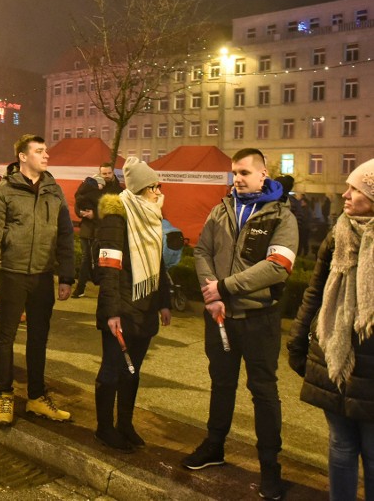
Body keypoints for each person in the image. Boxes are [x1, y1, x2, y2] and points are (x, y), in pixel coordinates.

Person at [182, 148, 298, 501]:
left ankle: (269, 468)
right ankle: (215, 446)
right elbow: (201, 252)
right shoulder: (221, 210)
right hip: (220, 316)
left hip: (259, 319)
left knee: (263, 392)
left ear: (264, 174)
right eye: (234, 172)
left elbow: (278, 266)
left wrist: (226, 287)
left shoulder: (282, 216)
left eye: (245, 172)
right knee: (221, 383)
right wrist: (211, 293)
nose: (238, 179)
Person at [287, 158, 374, 501]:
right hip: (334, 354)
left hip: (370, 363)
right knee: (340, 445)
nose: (345, 194)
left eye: (356, 189)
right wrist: (297, 340)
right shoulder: (337, 235)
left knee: (371, 448)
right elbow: (315, 292)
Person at [0, 134, 75, 425]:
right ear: (22, 156)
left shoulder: (54, 190)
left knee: (38, 338)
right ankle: (5, 396)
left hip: (43, 276)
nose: (46, 156)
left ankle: (36, 397)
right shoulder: (3, 191)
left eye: (46, 151)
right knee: (6, 337)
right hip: (12, 274)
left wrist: (67, 276)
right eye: (40, 151)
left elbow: (66, 235)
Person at [93, 157, 172, 451]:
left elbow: (158, 262)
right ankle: (104, 428)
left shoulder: (152, 215)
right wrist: (112, 312)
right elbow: (109, 268)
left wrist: (163, 301)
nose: (158, 192)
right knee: (112, 370)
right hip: (122, 308)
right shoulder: (117, 216)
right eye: (154, 186)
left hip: (145, 306)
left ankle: (125, 424)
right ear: (141, 188)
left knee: (132, 371)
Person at [73, 163, 124, 298]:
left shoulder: (118, 191)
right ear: (100, 173)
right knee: (85, 259)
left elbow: (114, 212)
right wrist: (81, 213)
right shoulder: (91, 185)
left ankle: (104, 289)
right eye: (104, 173)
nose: (106, 176)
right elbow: (78, 200)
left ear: (113, 173)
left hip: (104, 232)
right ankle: (80, 288)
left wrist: (94, 215)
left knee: (102, 261)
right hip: (87, 229)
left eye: (109, 173)